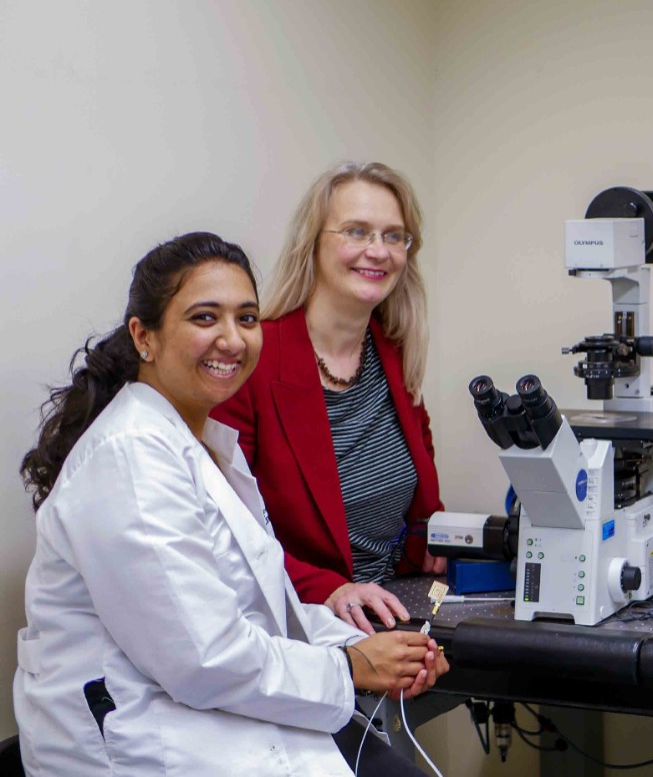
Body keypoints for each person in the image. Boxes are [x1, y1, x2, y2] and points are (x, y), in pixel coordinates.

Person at [15, 232, 448, 775]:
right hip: (149, 747)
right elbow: (203, 658)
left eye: (246, 318)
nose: (232, 339)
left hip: (225, 718)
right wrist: (352, 666)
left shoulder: (208, 447)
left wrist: (374, 648)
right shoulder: (130, 457)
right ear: (144, 336)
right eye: (205, 318)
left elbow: (267, 613)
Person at [212, 162, 446, 635]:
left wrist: (436, 536)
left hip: (398, 605)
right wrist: (330, 590)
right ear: (313, 244)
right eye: (356, 231)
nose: (377, 251)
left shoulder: (395, 352)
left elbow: (422, 494)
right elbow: (224, 530)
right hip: (301, 620)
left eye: (394, 236)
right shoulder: (253, 361)